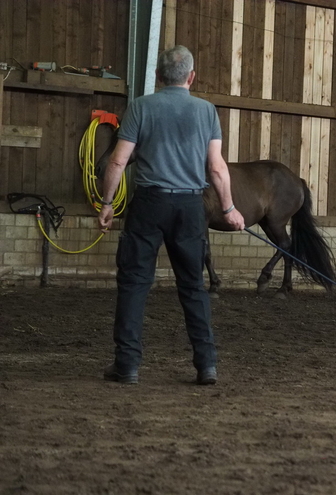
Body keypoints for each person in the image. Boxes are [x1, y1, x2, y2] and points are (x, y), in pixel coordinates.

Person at [98, 45, 245, 386]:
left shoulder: (140, 107)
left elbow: (118, 162)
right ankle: (206, 365)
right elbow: (217, 168)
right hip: (190, 208)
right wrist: (229, 209)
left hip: (148, 204)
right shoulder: (207, 111)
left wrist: (107, 203)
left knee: (134, 284)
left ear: (158, 76)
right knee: (193, 286)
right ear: (191, 77)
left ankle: (127, 365)